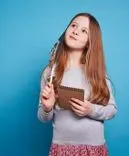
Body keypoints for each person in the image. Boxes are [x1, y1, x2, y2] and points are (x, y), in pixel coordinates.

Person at [37, 12, 117, 156]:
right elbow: (43, 118)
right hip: (61, 149)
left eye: (83, 31)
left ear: (90, 42)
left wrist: (91, 110)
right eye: (73, 25)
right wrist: (47, 107)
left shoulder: (97, 74)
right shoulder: (50, 73)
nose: (75, 31)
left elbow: (111, 110)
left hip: (93, 149)